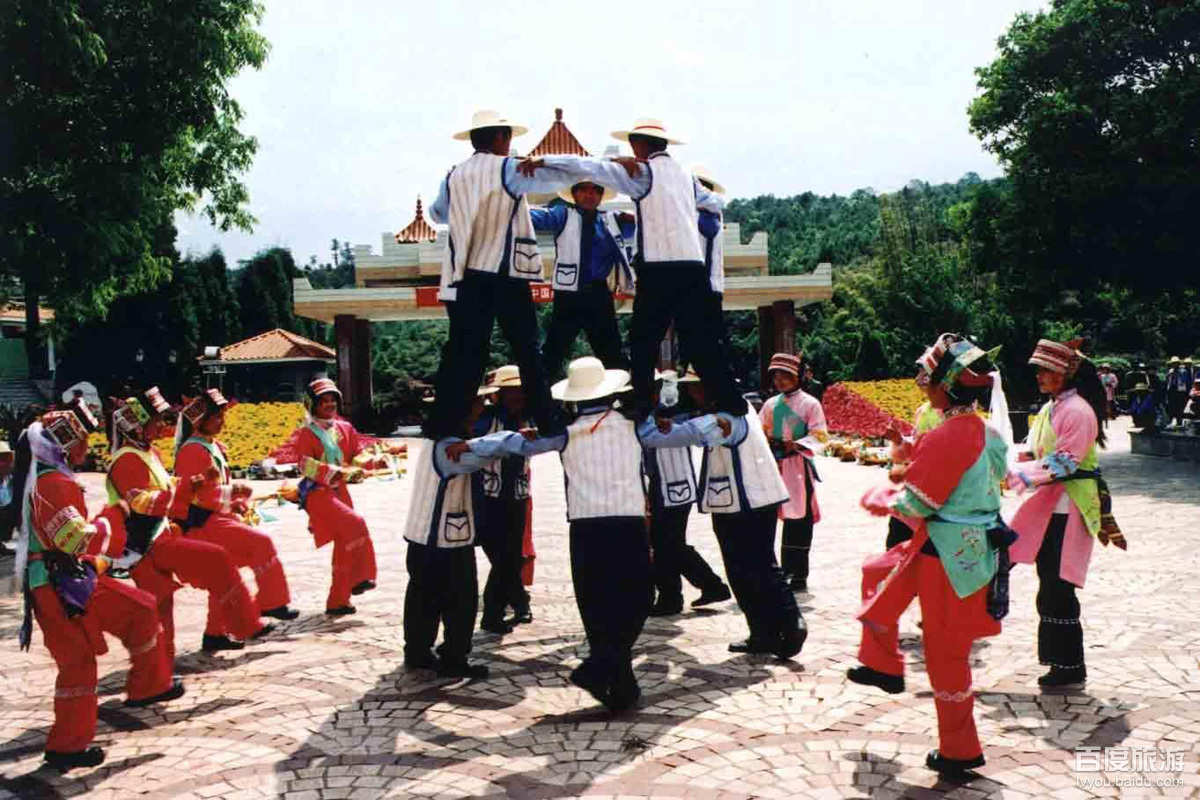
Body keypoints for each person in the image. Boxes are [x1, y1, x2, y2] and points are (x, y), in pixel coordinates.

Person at [450, 356, 735, 711]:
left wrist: (472, 445)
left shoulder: (563, 431)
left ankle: (614, 677)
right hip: (627, 524)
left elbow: (514, 443)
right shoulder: (635, 426)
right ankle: (607, 672)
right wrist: (719, 423)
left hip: (585, 528)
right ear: (611, 392)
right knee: (638, 600)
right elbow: (684, 432)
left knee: (597, 607)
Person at [850, 334, 1010, 777]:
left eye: (928, 378)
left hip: (946, 556)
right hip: (958, 545)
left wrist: (882, 498)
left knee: (946, 654)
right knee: (877, 574)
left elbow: (918, 503)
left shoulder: (948, 435)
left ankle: (960, 750)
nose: (922, 384)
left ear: (945, 386)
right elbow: (996, 473)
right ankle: (881, 662)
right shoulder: (986, 432)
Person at [517, 118, 743, 421]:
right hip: (692, 267)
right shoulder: (685, 176)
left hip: (658, 268)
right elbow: (716, 202)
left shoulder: (642, 174)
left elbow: (588, 166)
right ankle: (733, 402)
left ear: (638, 144)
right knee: (700, 341)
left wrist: (544, 161)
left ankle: (642, 403)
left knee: (643, 340)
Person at [13, 399, 183, 771]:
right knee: (77, 662)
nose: (88, 447)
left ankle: (149, 685)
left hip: (68, 576)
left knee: (139, 607)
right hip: (56, 582)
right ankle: (67, 746)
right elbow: (74, 539)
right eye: (83, 441)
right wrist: (112, 515)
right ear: (65, 445)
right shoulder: (53, 483)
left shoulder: (50, 479)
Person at [426, 110, 584, 440]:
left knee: (465, 354)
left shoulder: (453, 175)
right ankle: (547, 421)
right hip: (505, 272)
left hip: (465, 274)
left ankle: (446, 426)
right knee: (528, 351)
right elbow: (559, 178)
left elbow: (438, 214)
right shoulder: (509, 169)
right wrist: (540, 163)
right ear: (500, 137)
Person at [108, 388, 270, 663]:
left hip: (157, 538)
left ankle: (162, 671)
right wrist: (185, 489)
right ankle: (245, 623)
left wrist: (190, 483)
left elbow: (164, 486)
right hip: (143, 545)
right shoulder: (125, 459)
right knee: (209, 565)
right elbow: (140, 501)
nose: (162, 425)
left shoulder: (147, 453)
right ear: (137, 426)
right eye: (156, 421)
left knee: (164, 604)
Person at [1007, 338, 1126, 688]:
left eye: (1046, 370)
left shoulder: (1077, 411)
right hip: (1052, 506)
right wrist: (1008, 461)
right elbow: (1036, 451)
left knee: (1059, 585)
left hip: (1070, 505)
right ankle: (1063, 662)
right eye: (1039, 370)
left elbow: (1065, 461)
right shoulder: (1052, 408)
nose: (1040, 376)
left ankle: (1070, 665)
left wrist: (1021, 476)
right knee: (1050, 584)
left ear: (1065, 374)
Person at [677, 372, 807, 660]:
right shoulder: (740, 407)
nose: (693, 394)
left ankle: (789, 622)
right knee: (758, 566)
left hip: (739, 501)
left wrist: (656, 428)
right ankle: (768, 630)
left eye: (695, 388)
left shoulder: (726, 416)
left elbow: (689, 434)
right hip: (755, 497)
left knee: (747, 567)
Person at [173, 389, 299, 651]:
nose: (222, 421)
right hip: (204, 522)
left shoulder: (212, 446)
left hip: (217, 517)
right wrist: (235, 493)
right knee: (260, 543)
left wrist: (236, 502)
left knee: (225, 574)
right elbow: (200, 494)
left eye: (222, 415)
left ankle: (215, 633)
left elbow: (216, 487)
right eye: (216, 417)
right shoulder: (192, 451)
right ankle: (270, 602)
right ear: (200, 420)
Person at [400, 386, 497, 679]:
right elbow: (487, 455)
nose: (482, 407)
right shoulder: (450, 447)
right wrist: (518, 440)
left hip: (424, 535)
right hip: (444, 539)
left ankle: (418, 651)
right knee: (460, 599)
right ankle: (453, 656)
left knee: (423, 596)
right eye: (478, 403)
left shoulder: (437, 440)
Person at [294, 377, 401, 615]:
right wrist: (332, 472)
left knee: (345, 544)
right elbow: (303, 464)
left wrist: (374, 461)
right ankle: (361, 578)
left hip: (340, 492)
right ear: (313, 404)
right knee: (356, 524)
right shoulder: (307, 433)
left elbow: (357, 455)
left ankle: (338, 601)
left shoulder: (344, 428)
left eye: (332, 400)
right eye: (323, 401)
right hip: (318, 493)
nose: (329, 404)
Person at [645, 368, 731, 616]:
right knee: (664, 542)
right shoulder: (650, 413)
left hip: (675, 486)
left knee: (669, 543)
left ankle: (695, 589)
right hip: (663, 485)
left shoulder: (674, 412)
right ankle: (679, 594)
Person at [530, 179, 636, 379]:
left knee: (613, 353)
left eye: (595, 191)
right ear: (574, 194)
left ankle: (624, 395)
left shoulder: (613, 220)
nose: (589, 195)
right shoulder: (562, 215)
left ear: (601, 196)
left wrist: (634, 217)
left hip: (599, 293)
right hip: (568, 294)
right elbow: (531, 217)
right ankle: (540, 396)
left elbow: (646, 224)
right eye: (584, 190)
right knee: (553, 353)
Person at [759, 352, 829, 593]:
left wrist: (796, 444)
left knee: (799, 519)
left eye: (785, 376)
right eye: (776, 376)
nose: (780, 381)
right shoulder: (770, 404)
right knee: (770, 518)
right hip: (774, 466)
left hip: (798, 466)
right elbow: (759, 431)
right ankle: (774, 571)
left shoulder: (810, 403)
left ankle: (797, 574)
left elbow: (821, 436)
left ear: (797, 376)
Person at [473, 366, 535, 633]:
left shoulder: (529, 417)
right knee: (502, 558)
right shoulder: (486, 419)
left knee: (509, 557)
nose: (517, 396)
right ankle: (509, 605)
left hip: (517, 496)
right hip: (488, 497)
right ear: (499, 394)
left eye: (521, 391)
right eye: (511, 391)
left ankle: (504, 609)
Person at [883, 337, 952, 548]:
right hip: (917, 487)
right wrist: (899, 441)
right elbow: (918, 448)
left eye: (925, 372)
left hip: (940, 493)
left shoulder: (953, 413)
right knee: (897, 540)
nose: (919, 378)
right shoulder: (923, 411)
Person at [1166, 356, 1192, 426]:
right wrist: (1169, 374)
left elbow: (1185, 381)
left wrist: (1178, 373)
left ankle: (1179, 422)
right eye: (1173, 363)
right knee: (1172, 407)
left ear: (1178, 364)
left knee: (1180, 407)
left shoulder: (1183, 371)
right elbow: (1168, 380)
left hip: (1180, 391)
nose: (1174, 365)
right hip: (1171, 391)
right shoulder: (1170, 371)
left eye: (1176, 363)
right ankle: (1172, 421)